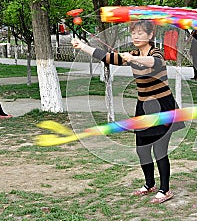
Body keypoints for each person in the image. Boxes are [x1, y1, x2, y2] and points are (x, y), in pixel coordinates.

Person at [71, 21, 185, 204]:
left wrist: (133, 59)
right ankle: (150, 184)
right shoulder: (131, 54)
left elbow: (154, 63)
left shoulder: (155, 53)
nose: (136, 36)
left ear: (150, 36)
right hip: (143, 108)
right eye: (133, 33)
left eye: (140, 33)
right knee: (142, 149)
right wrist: (83, 46)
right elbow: (107, 57)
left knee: (160, 150)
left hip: (162, 107)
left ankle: (165, 190)